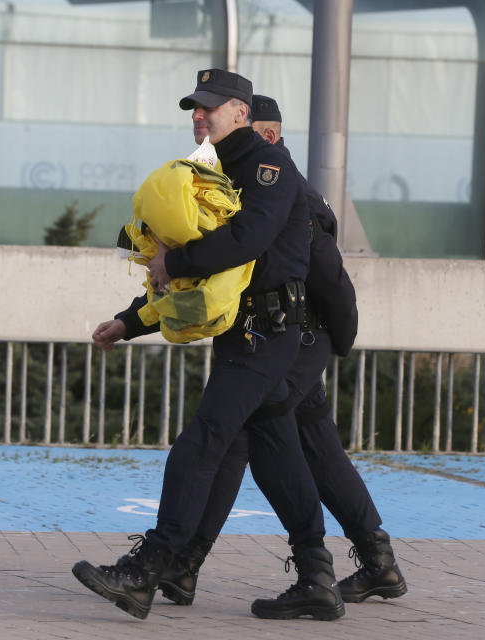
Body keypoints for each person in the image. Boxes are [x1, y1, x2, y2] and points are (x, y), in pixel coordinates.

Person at [72, 69, 344, 622]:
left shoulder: (268, 169)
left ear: (241, 114)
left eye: (212, 107)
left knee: (202, 441)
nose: (201, 115)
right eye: (195, 107)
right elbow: (205, 286)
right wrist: (130, 322)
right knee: (275, 456)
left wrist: (173, 261)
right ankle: (316, 576)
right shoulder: (217, 172)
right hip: (246, 332)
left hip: (267, 335)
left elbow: (245, 241)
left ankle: (149, 569)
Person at [157, 94, 407, 608]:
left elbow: (329, 275)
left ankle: (188, 564)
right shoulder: (250, 181)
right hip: (291, 339)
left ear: (266, 133)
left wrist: (340, 338)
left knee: (238, 437)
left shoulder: (282, 183)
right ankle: (376, 561)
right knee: (314, 446)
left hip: (295, 338)